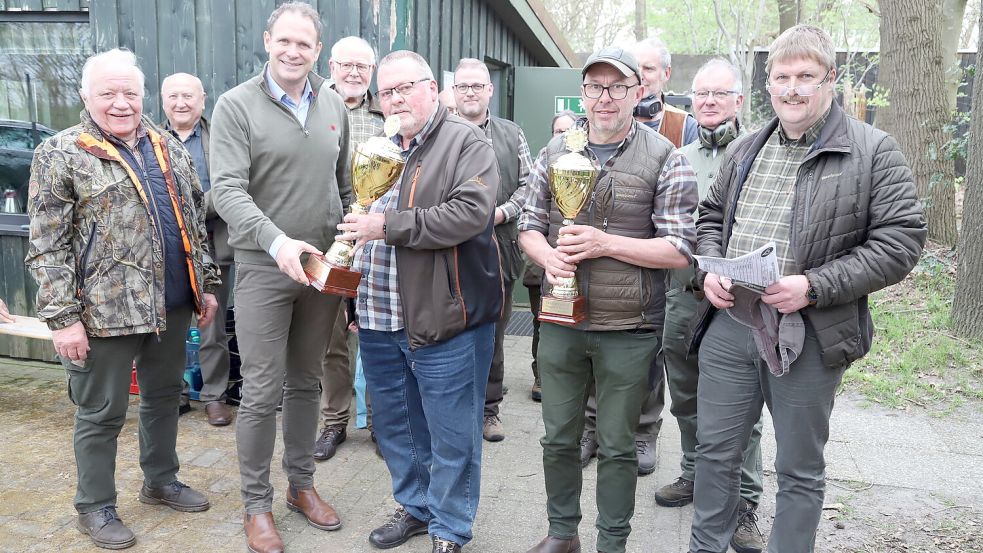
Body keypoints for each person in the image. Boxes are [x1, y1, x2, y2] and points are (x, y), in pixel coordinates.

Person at [688, 25, 926, 553]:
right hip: (732, 324)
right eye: (781, 77)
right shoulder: (748, 145)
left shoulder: (872, 151)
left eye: (805, 77)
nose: (791, 89)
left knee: (797, 466)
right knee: (715, 455)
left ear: (830, 80)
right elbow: (709, 217)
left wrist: (814, 286)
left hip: (809, 332)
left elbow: (902, 240)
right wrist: (710, 271)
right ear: (767, 84)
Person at [26, 48, 220, 550]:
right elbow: (46, 243)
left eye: (129, 93)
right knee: (101, 412)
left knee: (163, 397)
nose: (120, 103)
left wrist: (204, 285)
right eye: (108, 93)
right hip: (102, 313)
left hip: (172, 304)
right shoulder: (61, 152)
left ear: (142, 96)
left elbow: (193, 221)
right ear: (86, 96)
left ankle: (160, 480)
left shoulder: (165, 145)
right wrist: (63, 319)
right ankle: (95, 505)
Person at [519, 46, 697, 553]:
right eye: (596, 87)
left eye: (618, 87)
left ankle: (611, 543)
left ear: (638, 93)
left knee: (618, 447)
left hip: (630, 328)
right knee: (558, 439)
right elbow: (529, 226)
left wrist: (606, 243)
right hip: (559, 318)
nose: (605, 97)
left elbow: (680, 248)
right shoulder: (554, 152)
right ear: (583, 93)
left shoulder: (665, 156)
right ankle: (562, 533)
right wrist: (548, 258)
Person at [336, 50, 501, 553]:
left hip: (444, 316)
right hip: (379, 315)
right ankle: (414, 506)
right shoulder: (379, 146)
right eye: (387, 92)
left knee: (452, 432)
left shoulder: (465, 143)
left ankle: (450, 528)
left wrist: (386, 227)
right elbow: (358, 217)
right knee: (397, 426)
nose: (396, 98)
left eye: (406, 87)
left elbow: (470, 214)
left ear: (434, 88)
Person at [209, 3, 351, 552]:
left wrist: (349, 239)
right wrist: (278, 241)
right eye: (284, 41)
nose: (293, 52)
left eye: (305, 44)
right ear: (268, 41)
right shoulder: (236, 106)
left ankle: (302, 486)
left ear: (318, 50)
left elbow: (343, 187)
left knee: (307, 382)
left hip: (320, 274)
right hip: (264, 269)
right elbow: (226, 190)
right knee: (263, 391)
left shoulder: (333, 103)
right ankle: (255, 505)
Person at [652, 58, 766, 553]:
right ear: (690, 101)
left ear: (739, 101)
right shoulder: (678, 157)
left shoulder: (758, 155)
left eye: (721, 94)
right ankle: (696, 474)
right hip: (683, 300)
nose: (710, 102)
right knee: (686, 397)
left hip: (740, 306)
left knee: (743, 410)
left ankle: (744, 504)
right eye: (702, 95)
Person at [579, 36, 699, 475]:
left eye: (647, 70)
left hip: (652, 269)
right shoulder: (587, 126)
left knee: (648, 357)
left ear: (654, 80)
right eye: (637, 67)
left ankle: (645, 432)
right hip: (594, 278)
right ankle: (593, 426)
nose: (641, 75)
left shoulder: (680, 126)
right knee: (594, 351)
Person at [452, 57, 533, 442]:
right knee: (447, 328)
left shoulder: (511, 133)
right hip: (447, 248)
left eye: (477, 85)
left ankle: (488, 410)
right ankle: (452, 411)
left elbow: (529, 186)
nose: (470, 92)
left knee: (493, 332)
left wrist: (501, 213)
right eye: (463, 86)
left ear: (490, 90)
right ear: (453, 92)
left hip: (498, 244)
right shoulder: (437, 134)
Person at [314, 35, 386, 462]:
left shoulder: (387, 114)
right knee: (331, 338)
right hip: (329, 237)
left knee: (378, 334)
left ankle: (382, 422)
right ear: (332, 65)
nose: (354, 73)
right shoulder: (314, 109)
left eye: (363, 66)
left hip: (378, 240)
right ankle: (335, 421)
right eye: (347, 65)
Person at [160, 71, 235, 427]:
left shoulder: (220, 137)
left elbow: (227, 188)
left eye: (188, 96)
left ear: (202, 100)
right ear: (163, 102)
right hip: (166, 248)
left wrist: (185, 212)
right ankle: (170, 394)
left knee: (212, 327)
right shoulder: (150, 140)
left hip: (213, 245)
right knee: (168, 326)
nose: (180, 103)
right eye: (173, 96)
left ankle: (214, 397)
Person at [523, 110, 578, 403]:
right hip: (540, 265)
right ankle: (541, 377)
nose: (563, 135)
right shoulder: (543, 163)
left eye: (569, 130)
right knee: (540, 322)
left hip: (574, 266)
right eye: (559, 131)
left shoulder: (585, 167)